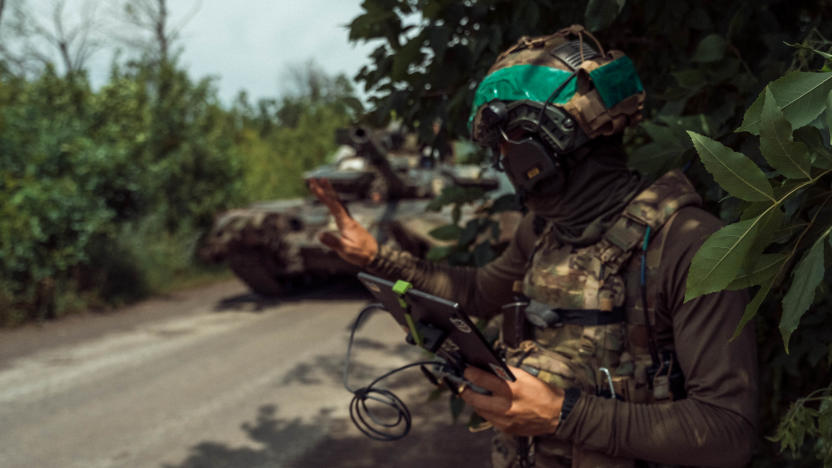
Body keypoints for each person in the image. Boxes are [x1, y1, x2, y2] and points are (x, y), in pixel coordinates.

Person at [309, 25, 756, 468]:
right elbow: (479, 293)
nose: (503, 160)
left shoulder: (688, 245)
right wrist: (375, 257)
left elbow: (727, 433)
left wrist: (562, 414)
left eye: (505, 144)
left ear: (544, 142)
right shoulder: (542, 231)